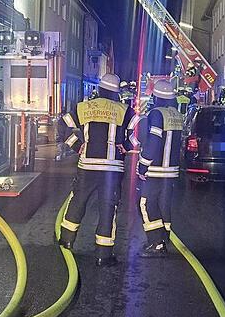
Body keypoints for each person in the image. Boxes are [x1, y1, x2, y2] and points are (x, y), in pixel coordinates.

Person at [58, 73, 137, 267]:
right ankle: (103, 254)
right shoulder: (125, 110)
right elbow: (140, 133)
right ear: (116, 92)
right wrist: (126, 145)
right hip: (112, 169)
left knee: (78, 202)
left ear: (100, 89)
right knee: (108, 208)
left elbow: (62, 125)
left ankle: (66, 242)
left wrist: (77, 146)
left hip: (88, 166)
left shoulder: (84, 107)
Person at [136, 81, 182, 257]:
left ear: (156, 96)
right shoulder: (177, 114)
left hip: (155, 169)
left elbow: (154, 142)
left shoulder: (156, 114)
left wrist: (143, 165)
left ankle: (156, 244)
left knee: (146, 203)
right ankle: (163, 240)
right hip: (171, 171)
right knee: (164, 205)